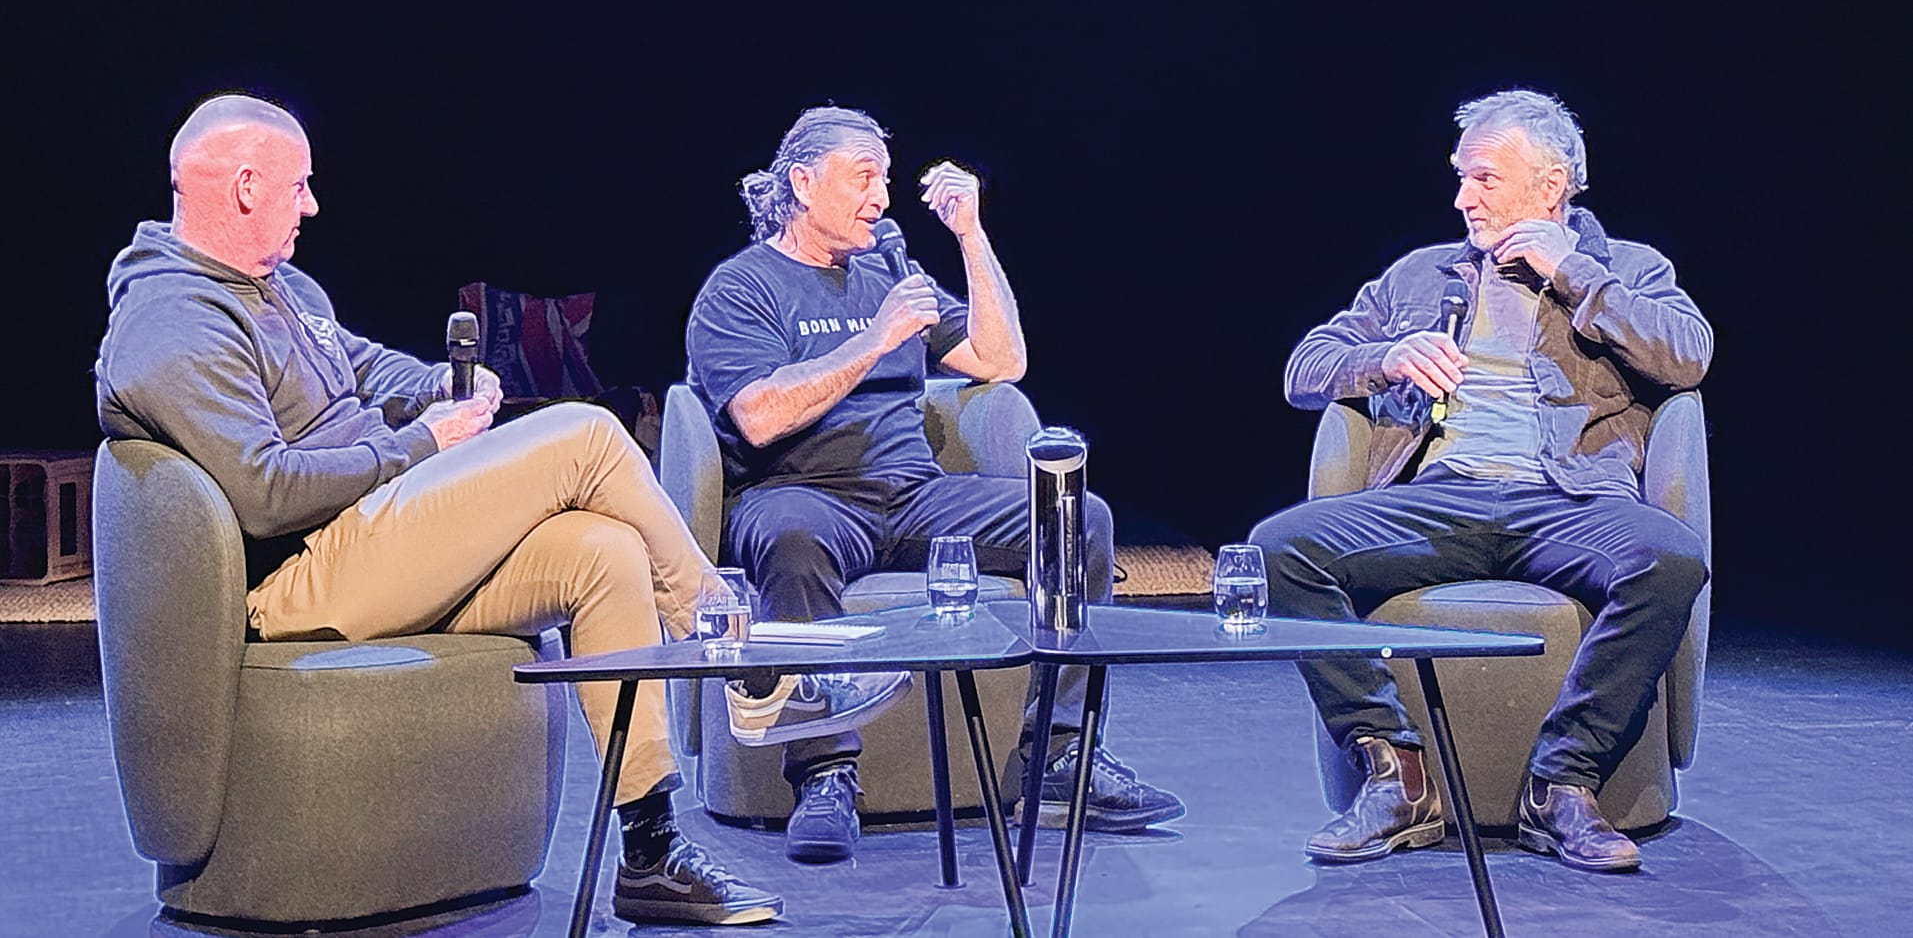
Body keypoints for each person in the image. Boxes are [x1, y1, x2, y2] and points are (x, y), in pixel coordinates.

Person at [94, 94, 787, 926]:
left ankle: (650, 852)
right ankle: (735, 645)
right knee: (587, 436)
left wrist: (443, 385)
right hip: (299, 584)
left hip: (373, 541)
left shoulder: (278, 285)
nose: (311, 205)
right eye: (298, 186)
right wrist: (423, 444)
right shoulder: (172, 320)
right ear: (245, 187)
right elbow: (266, 492)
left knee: (599, 551)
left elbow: (360, 365)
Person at [685, 104, 1185, 863]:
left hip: (914, 494)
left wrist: (969, 235)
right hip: (802, 492)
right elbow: (756, 417)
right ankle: (824, 773)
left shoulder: (890, 269)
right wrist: (875, 337)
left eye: (884, 179)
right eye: (863, 178)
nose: (881, 198)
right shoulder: (742, 288)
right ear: (801, 182)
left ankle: (1058, 752)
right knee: (790, 538)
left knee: (1072, 517)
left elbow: (999, 359)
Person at [1247, 89, 1711, 873]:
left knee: (1668, 558)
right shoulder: (1421, 274)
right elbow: (1303, 366)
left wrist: (1573, 276)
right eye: (1460, 177)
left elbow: (1687, 354)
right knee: (1275, 549)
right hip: (1440, 496)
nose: (1462, 197)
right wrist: (1384, 357)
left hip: (1570, 500)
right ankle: (1396, 772)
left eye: (1484, 179)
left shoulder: (1627, 267)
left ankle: (1561, 780)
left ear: (1550, 184)